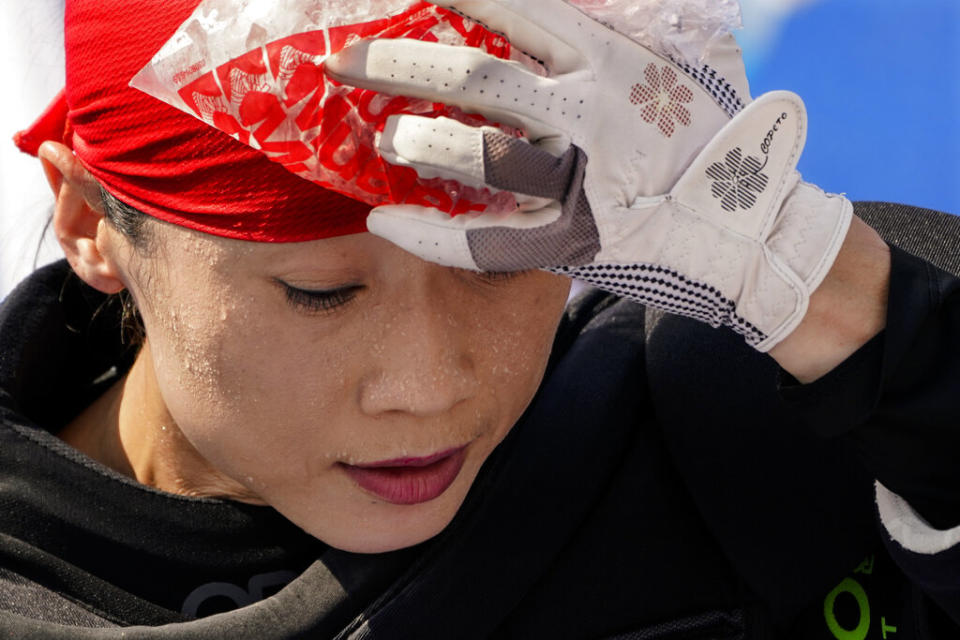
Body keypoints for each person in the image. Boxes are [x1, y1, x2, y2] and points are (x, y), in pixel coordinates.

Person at [1, 0, 958, 637]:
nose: (427, 388)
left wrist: (841, 299)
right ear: (92, 225)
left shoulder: (739, 420)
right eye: (322, 293)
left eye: (503, 264)